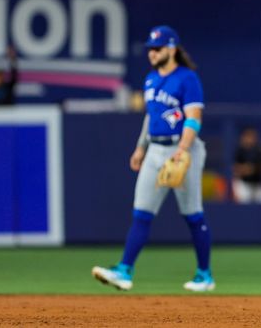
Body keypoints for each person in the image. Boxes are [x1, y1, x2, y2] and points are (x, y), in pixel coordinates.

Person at [92, 25, 214, 292]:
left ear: (171, 49)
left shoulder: (187, 78)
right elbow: (151, 117)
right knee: (141, 212)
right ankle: (124, 271)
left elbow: (194, 118)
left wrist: (182, 149)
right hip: (155, 150)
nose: (152, 53)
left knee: (192, 214)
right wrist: (140, 148)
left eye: (157, 48)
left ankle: (204, 275)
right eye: (150, 49)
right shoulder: (150, 80)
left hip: (184, 150)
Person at [232, 127, 261, 204]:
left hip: (258, 184)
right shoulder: (239, 151)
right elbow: (236, 169)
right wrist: (248, 169)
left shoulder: (259, 151)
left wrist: (250, 169)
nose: (250, 139)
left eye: (252, 137)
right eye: (248, 136)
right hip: (244, 183)